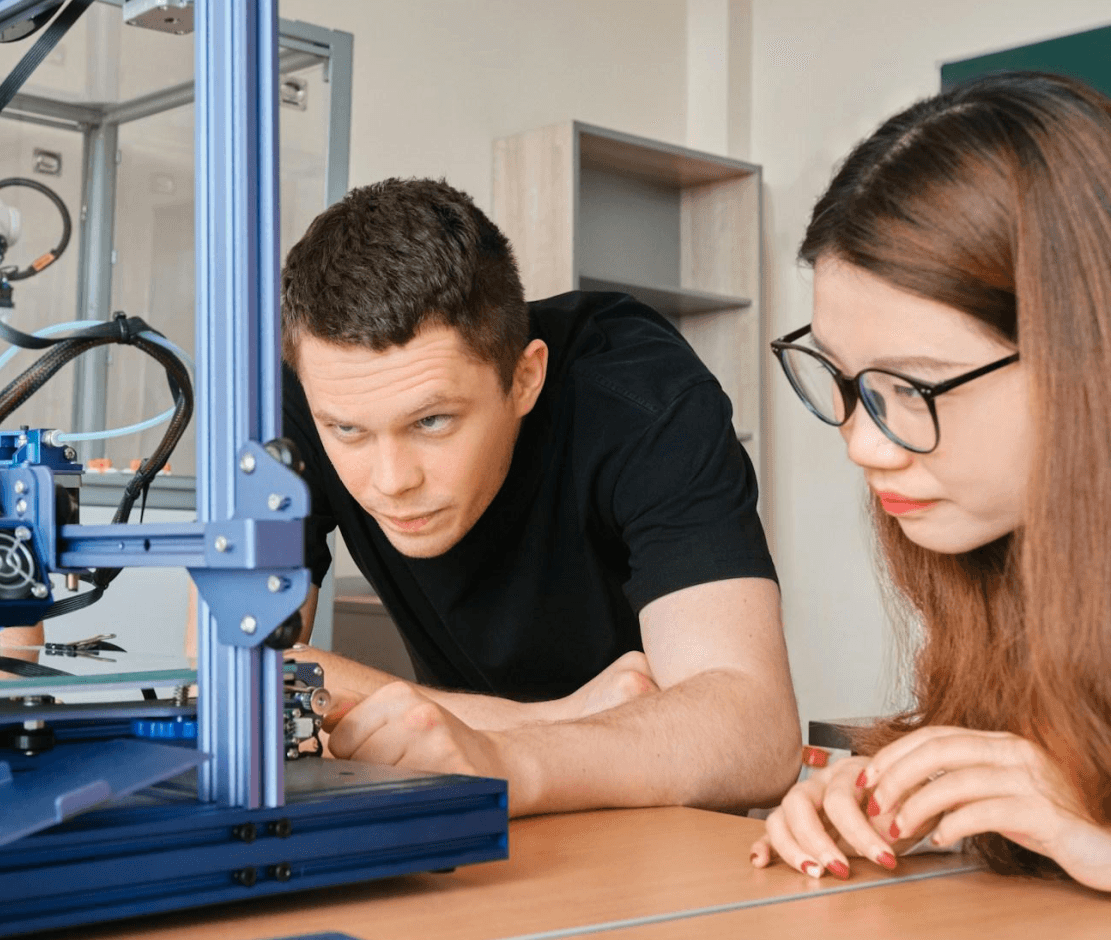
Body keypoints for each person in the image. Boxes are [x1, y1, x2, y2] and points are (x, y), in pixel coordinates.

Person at [275, 177, 801, 817]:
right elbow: (237, 679)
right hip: (464, 805)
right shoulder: (318, 389)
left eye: (432, 421)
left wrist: (502, 760)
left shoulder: (642, 395)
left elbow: (754, 732)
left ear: (525, 378)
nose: (390, 481)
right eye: (349, 431)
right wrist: (550, 719)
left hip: (658, 819)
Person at [750, 72, 1111, 891]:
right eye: (844, 381)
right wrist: (912, 797)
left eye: (910, 389)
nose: (863, 446)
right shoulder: (998, 559)